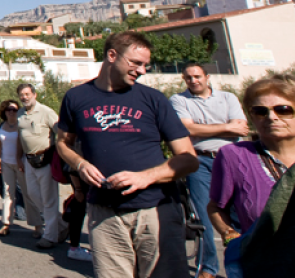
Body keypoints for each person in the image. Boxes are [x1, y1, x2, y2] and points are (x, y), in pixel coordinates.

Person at [55, 31, 198, 278]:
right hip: (103, 212)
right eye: (136, 63)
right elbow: (62, 143)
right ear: (112, 55)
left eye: (146, 65)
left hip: (155, 209)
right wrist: (79, 164)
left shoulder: (153, 99)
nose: (142, 71)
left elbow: (188, 158)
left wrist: (146, 177)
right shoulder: (76, 98)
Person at [207, 75, 295, 268]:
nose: (272, 117)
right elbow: (215, 207)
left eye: (283, 110)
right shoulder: (234, 156)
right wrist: (231, 237)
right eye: (260, 111)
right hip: (265, 264)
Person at [170, 61, 248, 278]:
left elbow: (240, 126)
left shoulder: (228, 97)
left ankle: (244, 263)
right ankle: (208, 267)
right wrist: (226, 127)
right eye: (188, 78)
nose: (193, 81)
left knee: (239, 214)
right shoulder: (178, 100)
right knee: (203, 218)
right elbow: (185, 128)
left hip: (231, 160)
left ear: (207, 77)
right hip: (200, 161)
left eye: (197, 76)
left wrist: (201, 129)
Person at [16, 83, 62, 248]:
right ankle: (60, 224)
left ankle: (50, 237)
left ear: (34, 94)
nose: (25, 97)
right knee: (33, 195)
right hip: (29, 160)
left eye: (27, 94)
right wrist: (18, 158)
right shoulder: (20, 114)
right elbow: (20, 137)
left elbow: (60, 131)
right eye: (22, 95)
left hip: (46, 159)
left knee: (49, 199)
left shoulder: (46, 112)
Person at [0, 99, 31, 236]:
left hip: (20, 163)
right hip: (6, 162)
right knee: (8, 193)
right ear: (4, 112)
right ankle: (6, 223)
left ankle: (37, 225)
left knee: (28, 193)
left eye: (14, 110)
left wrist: (20, 159)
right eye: (8, 110)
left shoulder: (21, 125)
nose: (11, 112)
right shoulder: (2, 126)